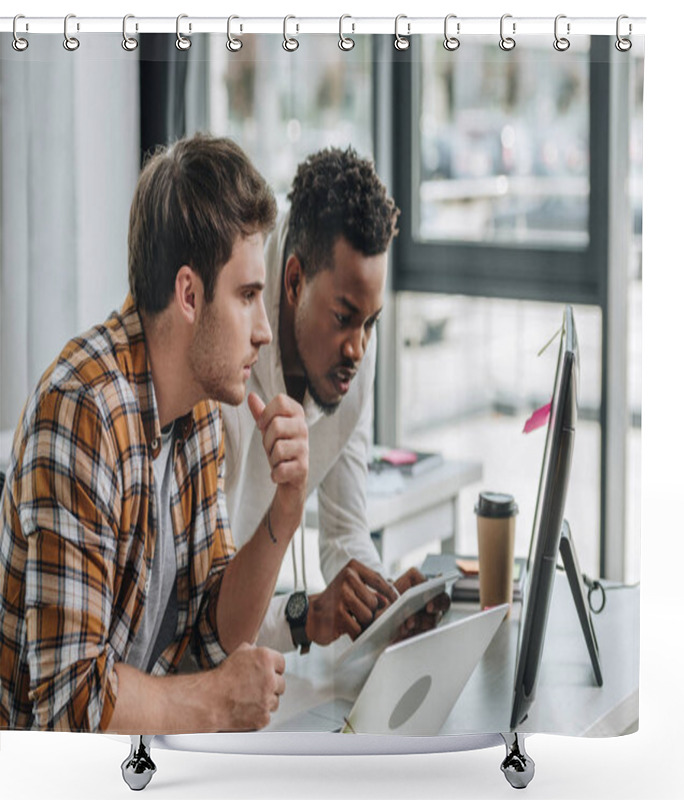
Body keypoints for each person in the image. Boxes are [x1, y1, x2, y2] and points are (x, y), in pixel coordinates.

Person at [0, 134, 309, 734]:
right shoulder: (82, 412)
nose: (265, 330)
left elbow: (212, 636)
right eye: (247, 296)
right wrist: (218, 702)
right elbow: (71, 708)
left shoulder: (196, 414)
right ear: (189, 294)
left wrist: (287, 508)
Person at [222, 147, 448, 654]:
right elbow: (203, 613)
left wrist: (382, 602)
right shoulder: (227, 351)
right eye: (344, 318)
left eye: (371, 322)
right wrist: (309, 615)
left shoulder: (354, 347)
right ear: (295, 280)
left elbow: (345, 530)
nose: (358, 349)